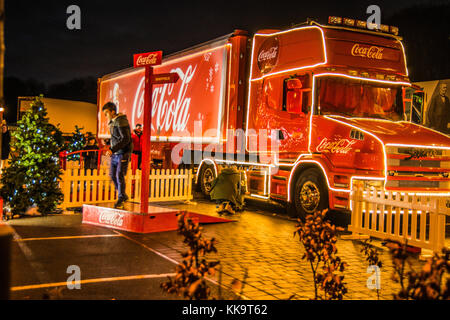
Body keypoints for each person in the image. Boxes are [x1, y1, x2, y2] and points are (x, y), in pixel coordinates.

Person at [102, 102, 133, 209]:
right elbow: (116, 137)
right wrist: (109, 143)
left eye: (106, 113)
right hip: (115, 153)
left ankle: (120, 198)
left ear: (112, 111)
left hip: (123, 153)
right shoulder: (113, 122)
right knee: (112, 175)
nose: (105, 116)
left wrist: (112, 149)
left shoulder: (121, 121)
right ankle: (123, 195)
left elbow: (126, 139)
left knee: (119, 175)